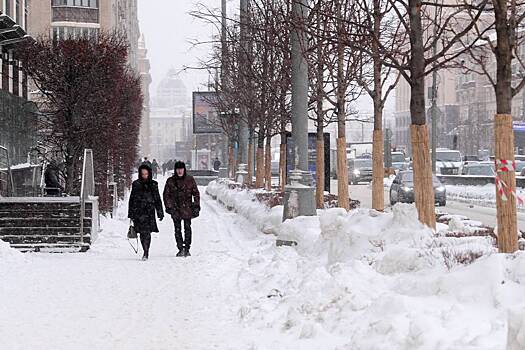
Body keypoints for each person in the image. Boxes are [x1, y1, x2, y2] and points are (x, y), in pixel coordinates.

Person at [163, 161, 200, 257]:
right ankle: (180, 248)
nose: (180, 171)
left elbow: (196, 193)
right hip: (175, 208)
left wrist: (196, 206)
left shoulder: (190, 180)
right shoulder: (170, 181)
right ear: (175, 170)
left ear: (184, 169)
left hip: (187, 207)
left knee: (187, 228)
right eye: (178, 169)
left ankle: (187, 248)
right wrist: (169, 207)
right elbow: (166, 195)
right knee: (177, 229)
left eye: (181, 169)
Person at [128, 164, 164, 261]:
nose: (144, 176)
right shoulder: (136, 184)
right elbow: (132, 199)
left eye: (146, 174)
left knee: (147, 232)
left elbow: (157, 199)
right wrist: (131, 213)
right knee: (141, 232)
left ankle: (146, 251)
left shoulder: (153, 184)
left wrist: (160, 212)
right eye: (143, 174)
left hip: (149, 212)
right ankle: (145, 249)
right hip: (138, 212)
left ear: (149, 174)